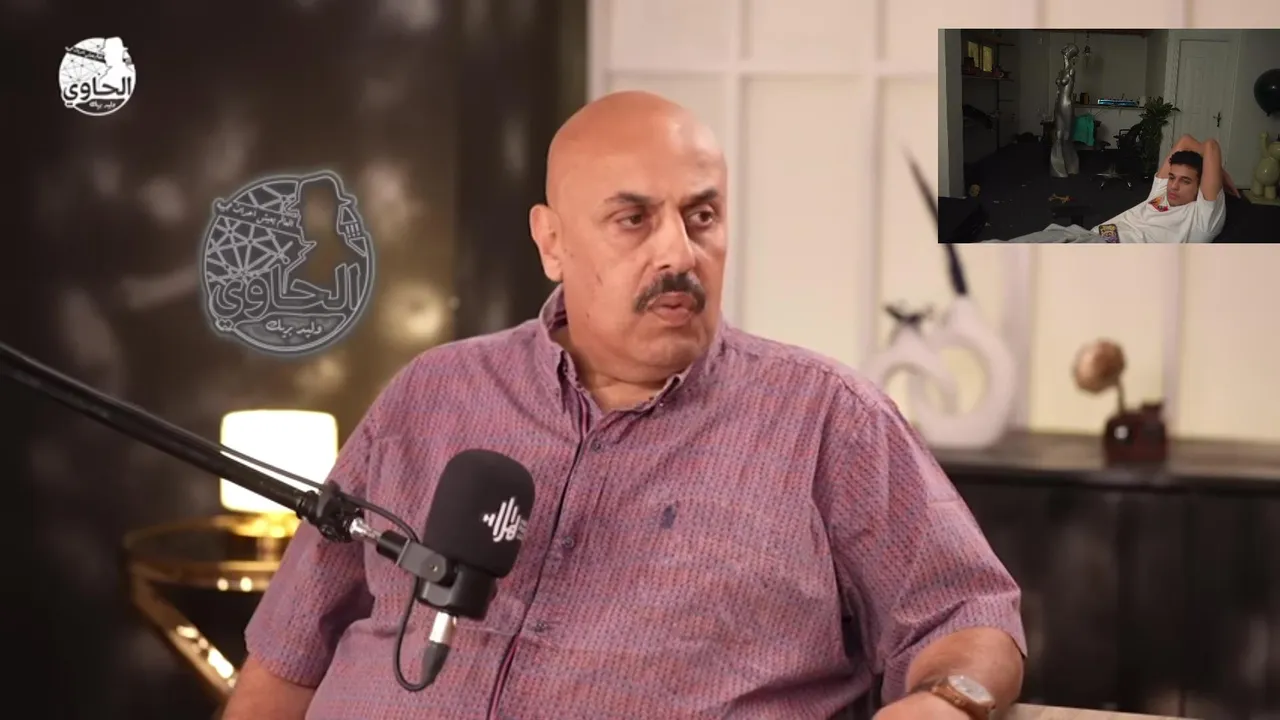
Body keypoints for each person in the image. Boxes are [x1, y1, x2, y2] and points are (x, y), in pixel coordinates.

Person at [223, 91, 1026, 720]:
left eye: (701, 216)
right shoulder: (432, 394)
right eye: (633, 219)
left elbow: (970, 617)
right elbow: (288, 659)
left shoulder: (829, 420)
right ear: (552, 242)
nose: (678, 251)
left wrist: (946, 703)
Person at [989, 134, 1238, 244]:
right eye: (1172, 177)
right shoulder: (1162, 194)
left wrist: (1215, 172)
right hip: (1089, 234)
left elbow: (1212, 146)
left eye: (1185, 181)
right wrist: (1213, 168)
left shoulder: (1202, 219)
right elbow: (1184, 140)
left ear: (1201, 187)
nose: (1173, 186)